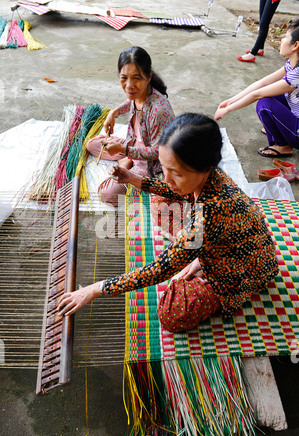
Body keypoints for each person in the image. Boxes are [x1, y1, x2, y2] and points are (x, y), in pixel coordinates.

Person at [57, 113, 278, 333]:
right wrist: (131, 178)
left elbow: (159, 270)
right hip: (239, 246)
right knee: (162, 197)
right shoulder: (212, 175)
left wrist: (94, 289)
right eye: (164, 167)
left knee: (171, 314)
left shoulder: (208, 216)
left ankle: (203, 264)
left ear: (205, 167)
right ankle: (197, 255)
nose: (167, 178)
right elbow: (174, 191)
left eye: (176, 172)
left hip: (243, 271)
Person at [87, 46, 175, 205]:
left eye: (136, 78)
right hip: (132, 145)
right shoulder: (139, 94)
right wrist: (113, 113)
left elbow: (157, 152)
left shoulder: (158, 110)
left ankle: (126, 162)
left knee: (107, 195)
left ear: (148, 77)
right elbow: (131, 102)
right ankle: (126, 159)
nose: (129, 85)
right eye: (124, 78)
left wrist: (123, 150)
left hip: (149, 165)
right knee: (91, 145)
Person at [215, 19, 299, 158]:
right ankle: (280, 129)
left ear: (295, 45)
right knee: (272, 96)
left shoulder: (297, 73)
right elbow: (262, 83)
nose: (282, 40)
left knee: (264, 104)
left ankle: (282, 146)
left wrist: (228, 109)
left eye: (285, 37)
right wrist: (231, 100)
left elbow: (257, 94)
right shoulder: (292, 63)